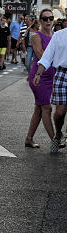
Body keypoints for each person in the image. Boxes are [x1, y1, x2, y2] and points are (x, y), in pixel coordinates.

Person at [34, 10, 67, 153]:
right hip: (62, 74)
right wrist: (38, 74)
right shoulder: (59, 36)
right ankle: (58, 133)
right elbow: (47, 56)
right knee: (60, 112)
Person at [26, 9, 56, 149]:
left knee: (39, 109)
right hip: (39, 77)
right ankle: (55, 140)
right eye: (45, 19)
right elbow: (40, 54)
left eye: (50, 18)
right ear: (40, 20)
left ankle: (29, 138)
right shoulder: (36, 36)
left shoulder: (56, 36)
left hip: (51, 78)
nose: (48, 21)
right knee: (47, 108)